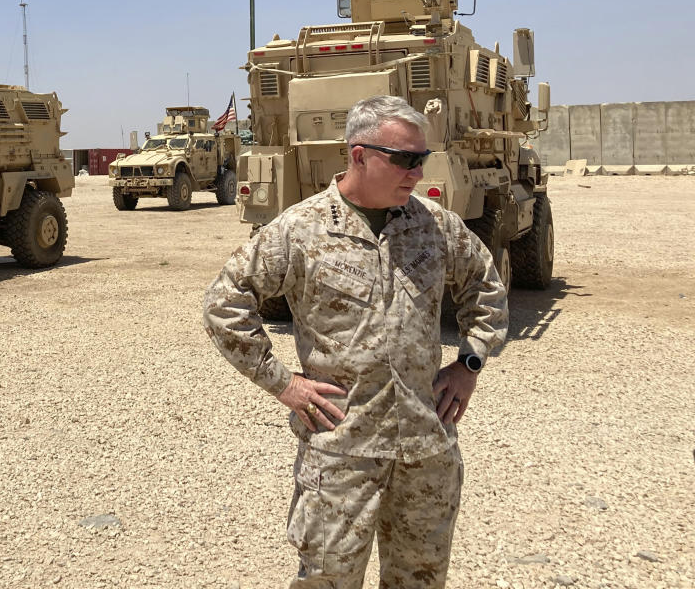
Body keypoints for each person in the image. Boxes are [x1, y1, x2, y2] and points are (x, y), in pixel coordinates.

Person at [202, 95, 508, 588]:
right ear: (359, 155)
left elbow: (486, 289)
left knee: (421, 579)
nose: (415, 170)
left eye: (421, 159)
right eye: (403, 158)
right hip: (341, 452)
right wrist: (283, 384)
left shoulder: (435, 224)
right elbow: (224, 304)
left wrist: (468, 364)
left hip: (425, 450)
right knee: (328, 580)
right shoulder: (301, 229)